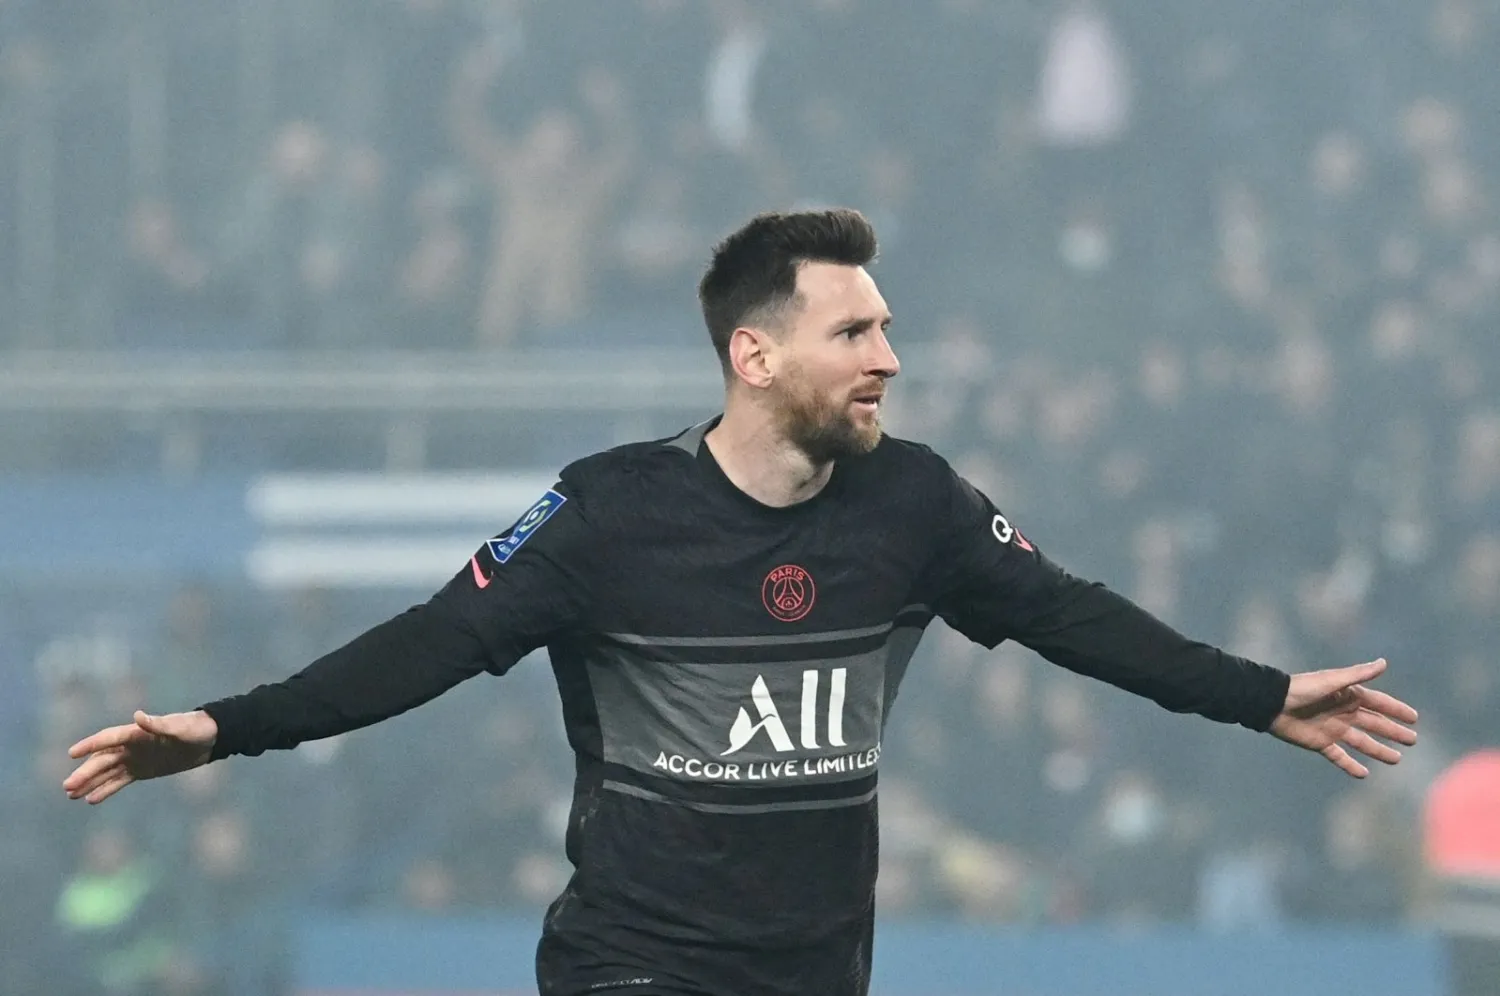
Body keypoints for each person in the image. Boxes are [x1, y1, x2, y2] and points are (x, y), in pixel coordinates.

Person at [63, 209, 1419, 996]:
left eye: (887, 329)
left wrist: (1260, 697)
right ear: (754, 355)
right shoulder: (607, 512)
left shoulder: (915, 504)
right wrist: (226, 729)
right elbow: (431, 642)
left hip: (816, 970)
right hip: (633, 963)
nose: (890, 358)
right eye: (856, 332)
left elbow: (1073, 616)